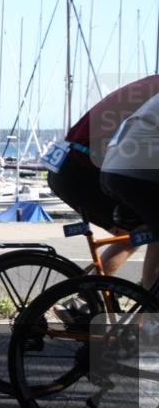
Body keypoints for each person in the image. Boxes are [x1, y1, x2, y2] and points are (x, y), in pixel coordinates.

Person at [47, 76, 159, 277]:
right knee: (145, 230)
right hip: (81, 167)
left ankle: (87, 298)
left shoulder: (150, 84)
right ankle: (147, 301)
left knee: (134, 233)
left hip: (65, 163)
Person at [101, 91, 159, 291]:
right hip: (138, 172)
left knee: (151, 233)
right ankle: (152, 300)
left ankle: (150, 296)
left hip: (115, 170)